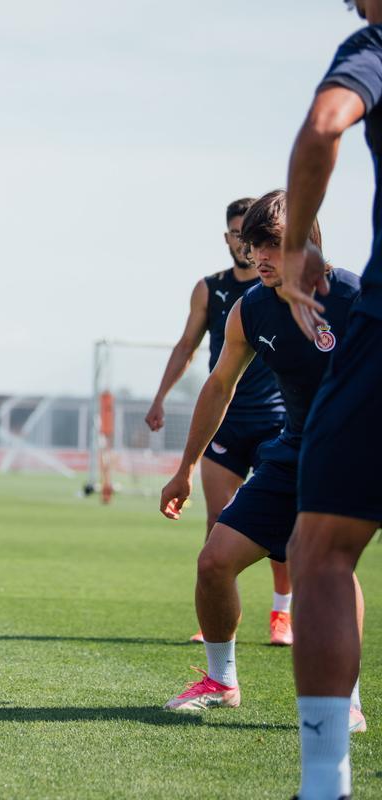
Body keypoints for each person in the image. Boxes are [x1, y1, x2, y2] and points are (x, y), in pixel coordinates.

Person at [159, 192, 366, 735]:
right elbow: (219, 385)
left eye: (272, 244)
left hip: (353, 453)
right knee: (213, 562)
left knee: (329, 568)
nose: (259, 257)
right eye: (254, 246)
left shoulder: (352, 295)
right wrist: (184, 468)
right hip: (292, 451)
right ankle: (221, 682)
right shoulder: (250, 307)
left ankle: (344, 699)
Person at [275, 3, 382, 796]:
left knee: (322, 551)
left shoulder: (374, 47)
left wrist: (296, 241)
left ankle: (325, 785)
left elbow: (324, 125)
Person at [146, 198, 292, 645]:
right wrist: (160, 397)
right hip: (225, 422)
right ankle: (215, 615)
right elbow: (188, 347)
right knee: (218, 519)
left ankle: (281, 613)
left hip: (277, 422)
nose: (248, 247)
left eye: (263, 241)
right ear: (230, 239)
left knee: (282, 529)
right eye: (239, 236)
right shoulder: (213, 291)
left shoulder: (300, 295)